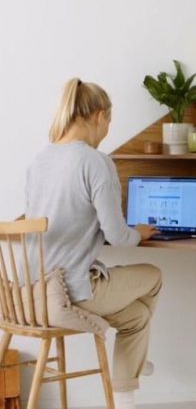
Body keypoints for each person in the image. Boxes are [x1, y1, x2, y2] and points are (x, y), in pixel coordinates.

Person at [25, 78, 162, 409]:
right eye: (109, 123)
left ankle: (129, 384)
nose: (107, 132)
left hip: (34, 292)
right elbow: (118, 236)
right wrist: (140, 233)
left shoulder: (41, 160)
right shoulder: (95, 162)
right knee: (154, 274)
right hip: (72, 290)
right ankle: (134, 368)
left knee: (137, 317)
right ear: (100, 116)